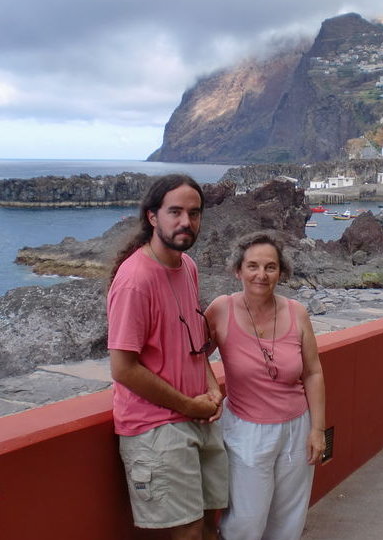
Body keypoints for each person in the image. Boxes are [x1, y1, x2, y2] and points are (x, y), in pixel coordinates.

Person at [107, 174, 229, 540]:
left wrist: (212, 390)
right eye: (174, 211)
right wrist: (190, 407)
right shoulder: (134, 280)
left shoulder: (187, 267)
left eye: (194, 213)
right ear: (152, 217)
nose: (185, 222)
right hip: (157, 427)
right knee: (187, 533)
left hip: (198, 418)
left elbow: (193, 344)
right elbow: (123, 369)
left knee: (210, 524)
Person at [205, 231, 326, 540]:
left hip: (297, 427)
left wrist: (317, 430)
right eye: (253, 266)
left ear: (281, 272)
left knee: (288, 517)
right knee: (246, 520)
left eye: (270, 267)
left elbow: (313, 372)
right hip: (246, 430)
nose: (261, 274)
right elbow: (193, 356)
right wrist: (212, 388)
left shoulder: (297, 312)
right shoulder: (221, 309)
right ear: (238, 270)